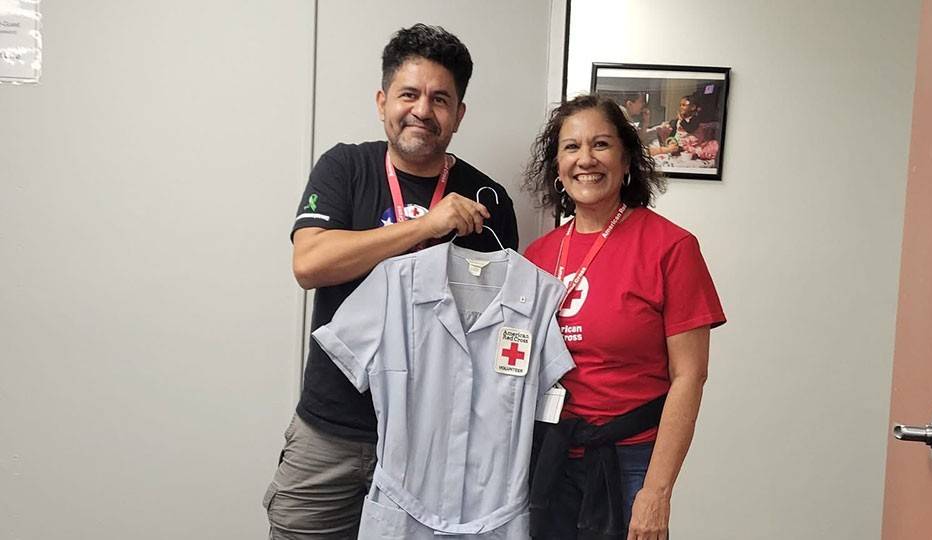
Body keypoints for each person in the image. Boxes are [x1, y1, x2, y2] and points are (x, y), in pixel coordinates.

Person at [263, 24, 519, 539]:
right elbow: (309, 263)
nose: (422, 109)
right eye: (409, 94)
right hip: (331, 431)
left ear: (459, 115)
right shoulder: (345, 166)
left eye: (440, 99)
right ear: (382, 102)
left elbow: (500, 328)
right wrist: (425, 227)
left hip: (431, 444)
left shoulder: (487, 199)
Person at [523, 94, 725, 540]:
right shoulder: (536, 256)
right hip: (551, 457)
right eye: (571, 147)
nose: (585, 159)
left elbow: (690, 376)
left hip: (632, 461)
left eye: (601, 144)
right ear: (557, 165)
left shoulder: (671, 248)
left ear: (627, 159)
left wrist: (656, 492)